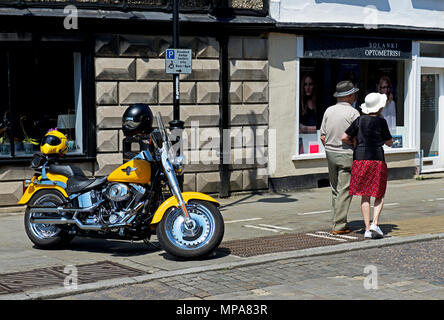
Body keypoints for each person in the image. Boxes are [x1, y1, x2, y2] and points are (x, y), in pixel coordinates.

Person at [341, 92, 394, 239]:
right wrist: (387, 140)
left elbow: (344, 137)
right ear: (379, 108)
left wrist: (355, 143)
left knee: (365, 195)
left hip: (360, 159)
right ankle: (375, 223)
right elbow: (389, 142)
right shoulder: (381, 122)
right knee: (379, 193)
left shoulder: (359, 120)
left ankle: (366, 229)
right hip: (377, 158)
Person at [320, 80, 360, 235]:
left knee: (335, 188)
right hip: (346, 153)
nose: (355, 96)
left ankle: (336, 219)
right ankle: (339, 225)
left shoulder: (328, 111)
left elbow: (322, 136)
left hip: (330, 152)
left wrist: (330, 148)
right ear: (349, 96)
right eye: (354, 93)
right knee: (345, 190)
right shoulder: (353, 113)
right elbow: (357, 137)